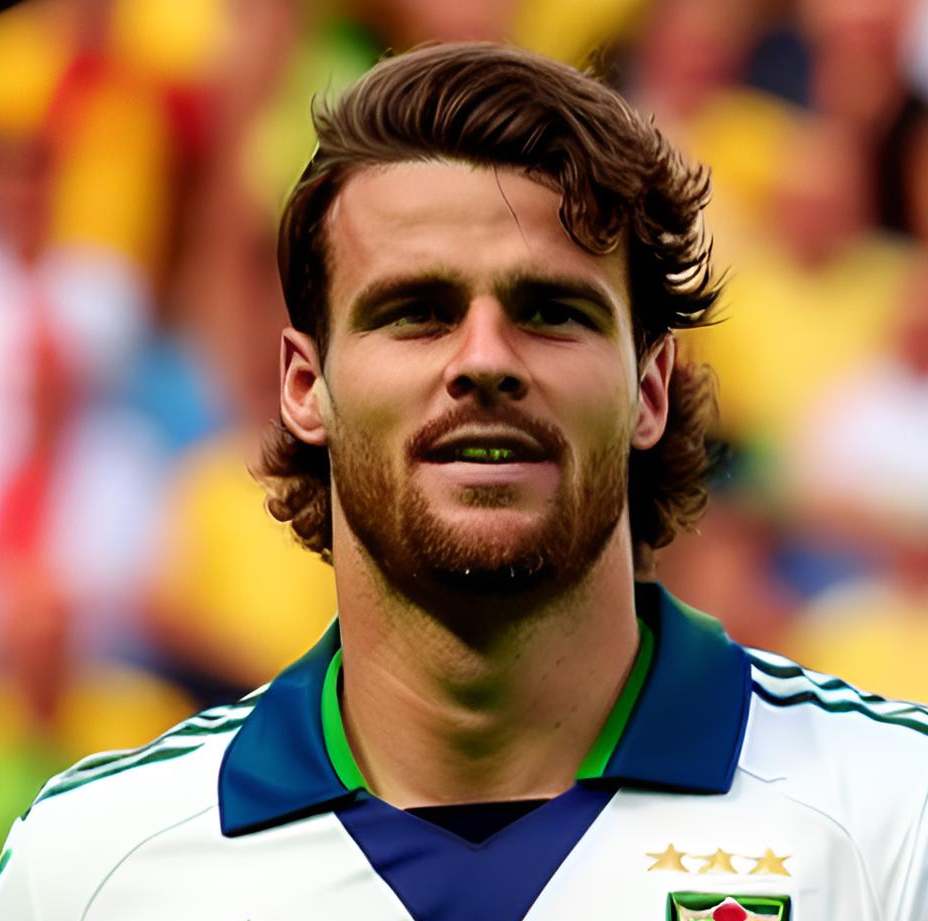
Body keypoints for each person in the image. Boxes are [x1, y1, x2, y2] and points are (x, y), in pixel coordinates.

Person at [1, 43, 926, 921]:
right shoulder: (90, 867)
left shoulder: (896, 818)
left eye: (551, 311)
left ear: (651, 388)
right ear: (304, 388)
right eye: (417, 311)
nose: (484, 359)